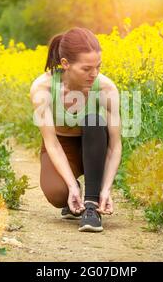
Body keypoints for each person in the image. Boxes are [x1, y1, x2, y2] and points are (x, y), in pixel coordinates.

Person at [29, 27, 122, 232]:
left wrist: (105, 190)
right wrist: (71, 186)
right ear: (65, 64)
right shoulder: (42, 88)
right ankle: (75, 193)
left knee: (94, 121)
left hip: (94, 146)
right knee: (57, 194)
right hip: (61, 146)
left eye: (98, 67)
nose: (94, 74)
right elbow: (51, 143)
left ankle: (91, 206)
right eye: (86, 69)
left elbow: (114, 146)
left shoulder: (106, 88)